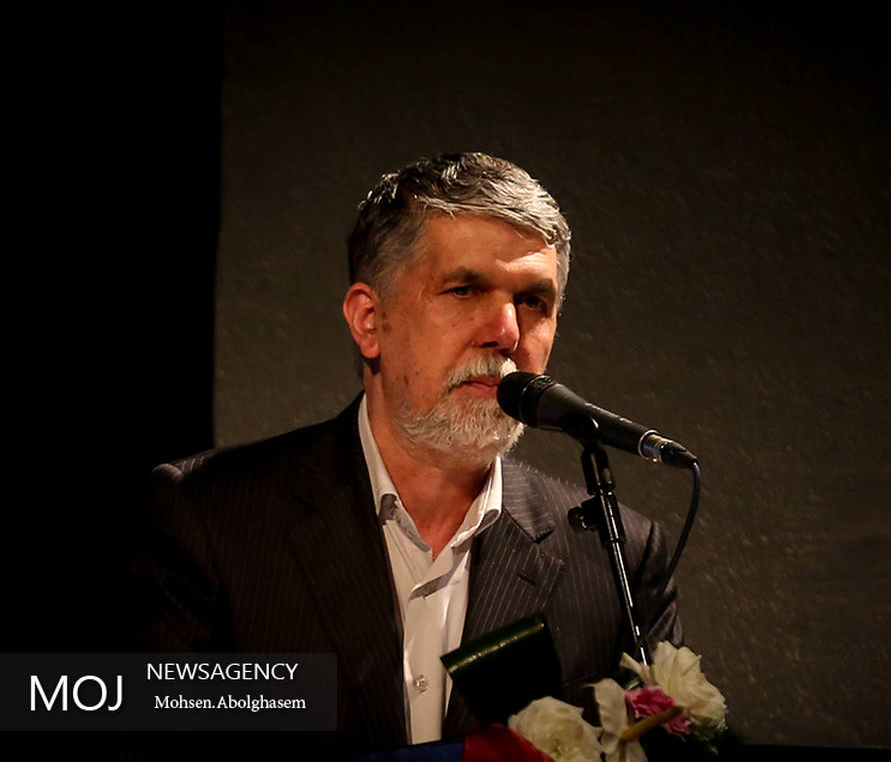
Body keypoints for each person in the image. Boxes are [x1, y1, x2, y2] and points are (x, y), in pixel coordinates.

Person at [134, 152, 682, 757]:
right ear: (370, 320)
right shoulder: (209, 518)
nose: (506, 331)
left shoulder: (617, 554)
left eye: (533, 301)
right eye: (464, 289)